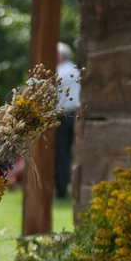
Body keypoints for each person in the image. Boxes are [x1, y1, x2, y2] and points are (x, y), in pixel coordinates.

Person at [54, 42, 81, 199]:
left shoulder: (58, 71)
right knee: (71, 153)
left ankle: (61, 188)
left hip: (61, 117)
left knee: (61, 153)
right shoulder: (75, 70)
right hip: (76, 115)